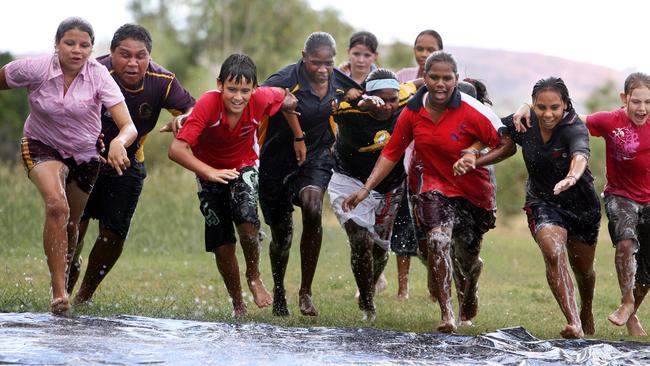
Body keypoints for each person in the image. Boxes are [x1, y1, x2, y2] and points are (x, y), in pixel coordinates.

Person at [343, 51, 513, 332]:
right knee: (436, 241)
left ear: (456, 80)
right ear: (426, 79)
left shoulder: (472, 109)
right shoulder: (413, 110)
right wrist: (366, 188)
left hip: (473, 191)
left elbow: (506, 145)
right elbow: (392, 151)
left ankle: (469, 287)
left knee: (467, 258)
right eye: (434, 77)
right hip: (433, 184)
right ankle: (447, 313)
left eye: (447, 78)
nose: (440, 84)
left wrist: (475, 159)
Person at [0, 17, 137, 315]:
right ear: (57, 44)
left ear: (90, 48)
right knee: (56, 207)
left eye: (84, 45)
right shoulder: (34, 68)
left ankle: (67, 265)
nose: (77, 50)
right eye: (70, 43)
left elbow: (129, 127)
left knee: (72, 225)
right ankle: (59, 291)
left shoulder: (99, 75)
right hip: (40, 144)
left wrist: (117, 143)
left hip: (85, 155)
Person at [66, 23, 196, 305]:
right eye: (125, 55)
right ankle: (65, 280)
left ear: (149, 57)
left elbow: (194, 109)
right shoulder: (92, 73)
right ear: (111, 54)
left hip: (128, 163)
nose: (133, 63)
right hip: (83, 159)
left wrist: (184, 119)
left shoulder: (162, 80)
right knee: (73, 228)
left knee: (114, 234)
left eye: (141, 56)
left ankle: (83, 298)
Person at [513, 72, 650, 337]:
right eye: (636, 101)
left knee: (647, 266)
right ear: (625, 99)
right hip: (620, 195)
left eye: (648, 102)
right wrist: (526, 107)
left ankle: (632, 312)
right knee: (625, 243)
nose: (642, 108)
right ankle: (626, 302)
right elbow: (566, 118)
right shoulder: (610, 121)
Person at [168, 53, 305, 316]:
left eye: (245, 90)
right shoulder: (208, 104)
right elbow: (177, 149)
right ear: (220, 85)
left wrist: (297, 130)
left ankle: (254, 276)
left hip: (244, 164)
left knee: (245, 215)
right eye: (232, 89)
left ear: (255, 88)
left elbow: (286, 98)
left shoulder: (264, 96)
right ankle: (238, 304)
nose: (238, 97)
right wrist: (208, 172)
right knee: (222, 242)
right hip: (208, 170)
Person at [258, 32, 358, 316]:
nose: (323, 70)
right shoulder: (284, 79)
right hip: (276, 161)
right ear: (304, 57)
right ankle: (279, 292)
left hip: (316, 158)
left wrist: (358, 98)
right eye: (316, 63)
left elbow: (360, 94)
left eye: (329, 63)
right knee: (282, 235)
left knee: (313, 207)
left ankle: (305, 292)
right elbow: (256, 97)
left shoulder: (337, 79)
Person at [501, 76, 601, 339]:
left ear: (565, 105)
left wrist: (571, 176)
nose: (547, 114)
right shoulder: (523, 121)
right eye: (541, 107)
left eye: (554, 107)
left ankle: (586, 310)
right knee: (552, 251)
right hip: (543, 201)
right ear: (533, 104)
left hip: (581, 205)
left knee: (585, 270)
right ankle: (573, 322)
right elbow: (488, 127)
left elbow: (580, 155)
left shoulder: (574, 127)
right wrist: (472, 152)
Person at [329, 68, 417, 320]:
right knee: (360, 240)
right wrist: (353, 96)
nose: (388, 106)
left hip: (390, 186)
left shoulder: (404, 98)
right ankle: (367, 302)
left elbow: (421, 83)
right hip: (349, 180)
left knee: (379, 249)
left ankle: (372, 283)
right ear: (368, 95)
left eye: (392, 99)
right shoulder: (347, 109)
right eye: (381, 99)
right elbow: (325, 93)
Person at [394, 29, 444, 300]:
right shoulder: (402, 76)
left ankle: (433, 278)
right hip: (404, 160)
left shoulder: (444, 81)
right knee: (403, 224)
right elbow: (384, 92)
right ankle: (402, 289)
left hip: (434, 165)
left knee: (429, 231)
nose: (424, 54)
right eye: (419, 48)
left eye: (430, 49)